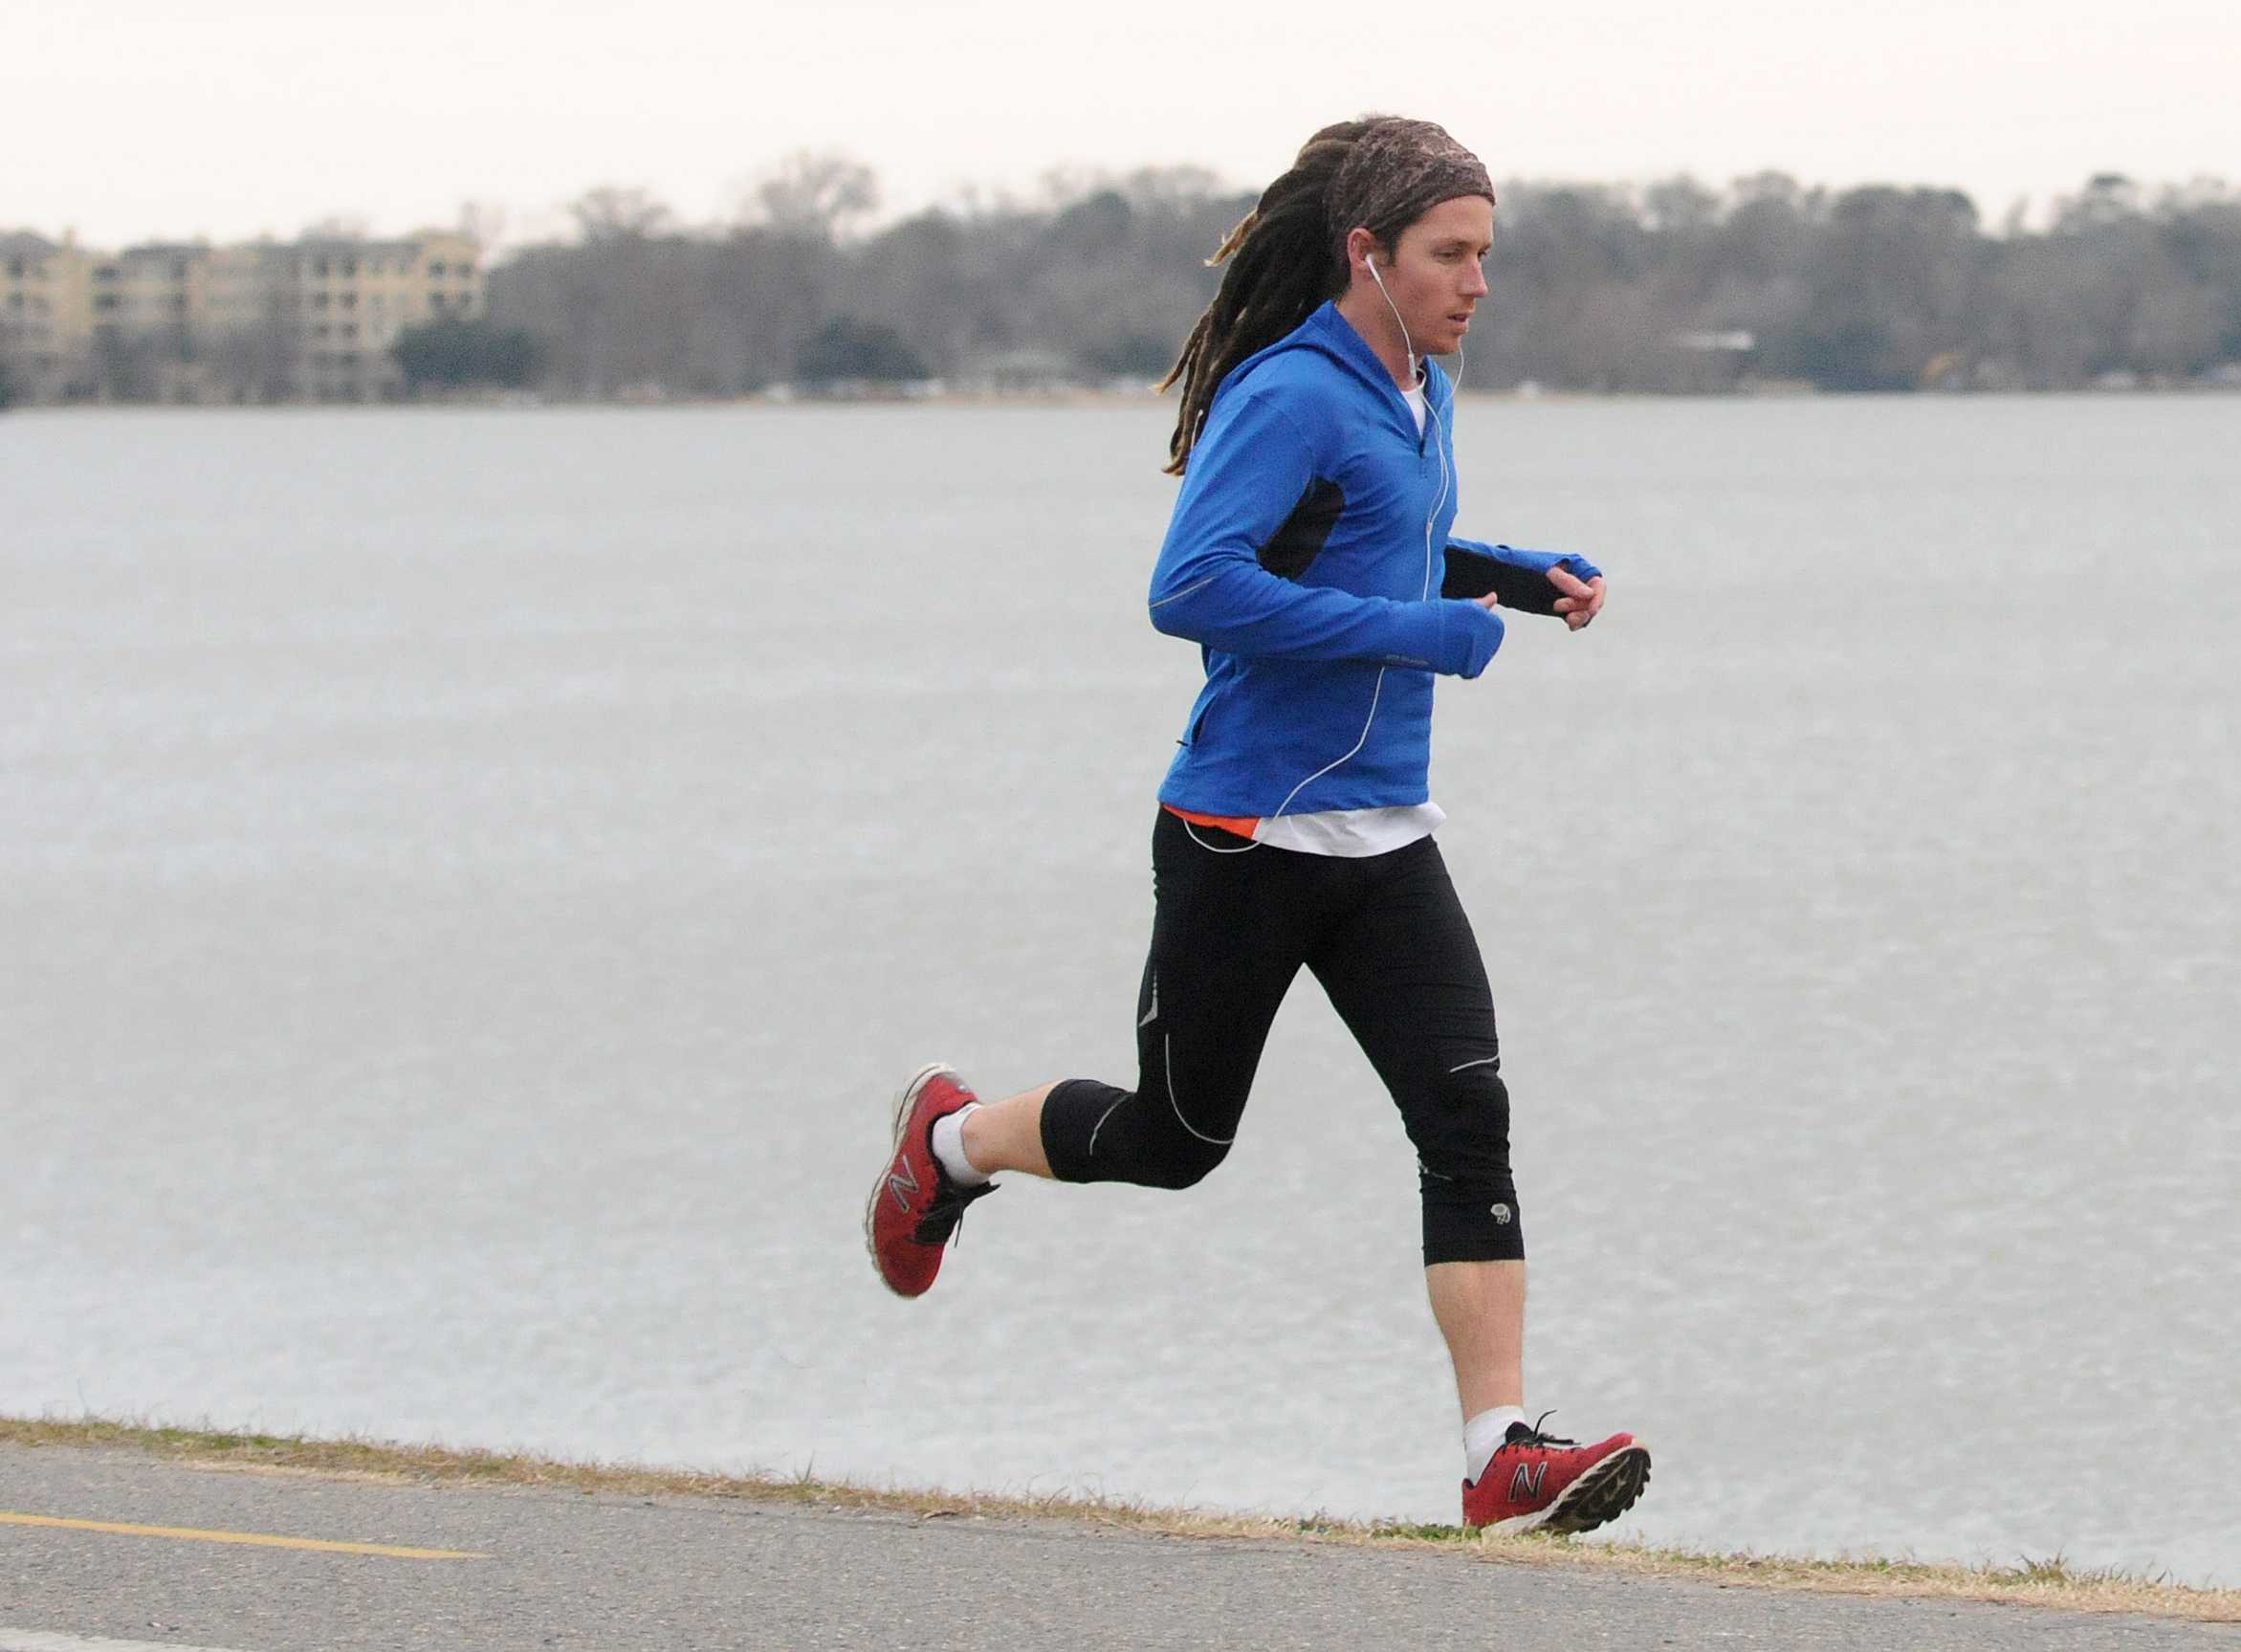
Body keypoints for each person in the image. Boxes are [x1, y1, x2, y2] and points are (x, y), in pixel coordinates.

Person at [865, 116, 1649, 1535]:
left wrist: (1515, 577)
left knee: (1466, 1115)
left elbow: (1375, 535)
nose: (1479, 283)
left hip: (1386, 837)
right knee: (1177, 1140)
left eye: (1487, 255)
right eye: (1451, 256)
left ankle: (1499, 1452)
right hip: (1242, 833)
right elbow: (1194, 586)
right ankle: (955, 1142)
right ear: (1368, 254)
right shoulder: (1288, 393)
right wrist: (1423, 631)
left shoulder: (1423, 384)